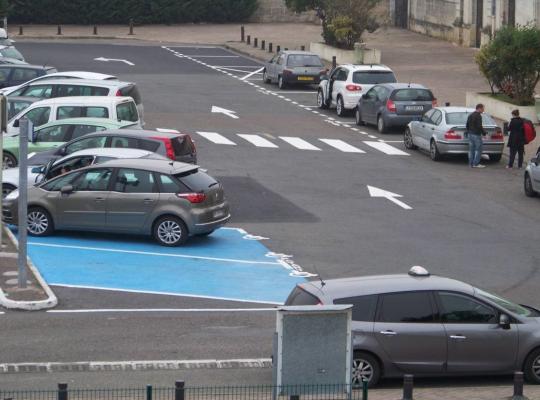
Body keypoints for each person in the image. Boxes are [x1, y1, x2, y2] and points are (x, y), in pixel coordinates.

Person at [466, 103, 488, 168]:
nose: (483, 110)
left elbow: (467, 125)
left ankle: (470, 163)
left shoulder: (471, 115)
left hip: (470, 134)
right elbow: (479, 126)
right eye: (483, 108)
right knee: (478, 149)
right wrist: (484, 134)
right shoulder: (478, 116)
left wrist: (469, 131)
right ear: (479, 108)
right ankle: (476, 163)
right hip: (476, 134)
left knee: (471, 149)